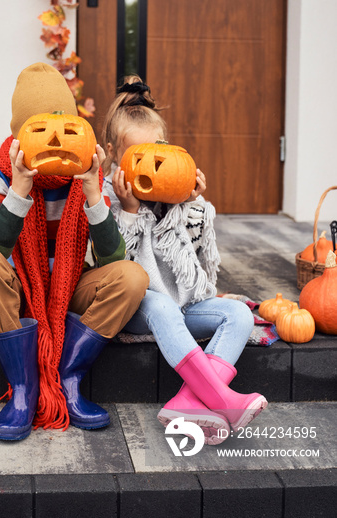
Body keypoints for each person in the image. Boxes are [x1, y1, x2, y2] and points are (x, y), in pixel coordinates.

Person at [0, 63, 148, 441]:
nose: (55, 140)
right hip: (19, 288)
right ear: (18, 135)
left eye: (64, 127)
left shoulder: (85, 172)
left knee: (132, 276)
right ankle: (25, 387)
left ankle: (68, 376)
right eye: (39, 130)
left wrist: (94, 194)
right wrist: (19, 190)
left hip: (70, 287)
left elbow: (112, 261)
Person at [101, 76, 267, 445]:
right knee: (159, 304)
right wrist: (128, 211)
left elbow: (195, 260)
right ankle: (223, 398)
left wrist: (190, 204)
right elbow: (114, 267)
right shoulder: (105, 200)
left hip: (181, 306)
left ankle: (189, 401)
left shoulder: (178, 200)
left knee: (237, 313)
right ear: (114, 153)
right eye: (140, 156)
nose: (156, 165)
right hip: (138, 307)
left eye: (160, 151)